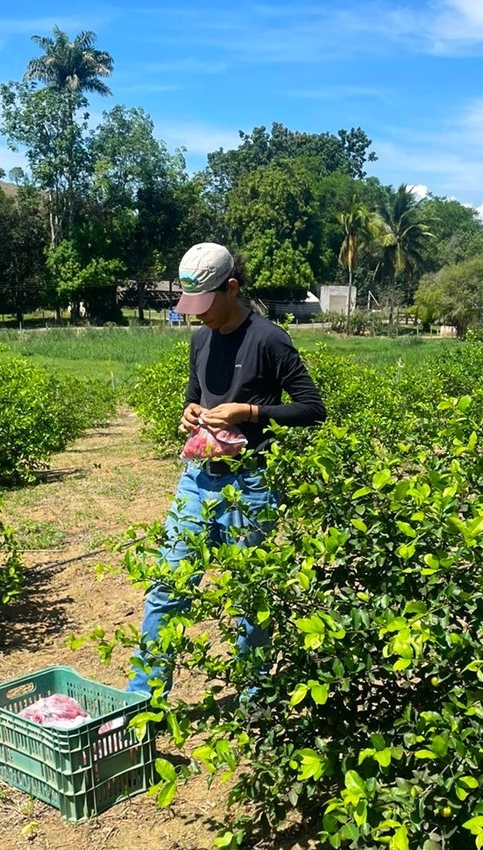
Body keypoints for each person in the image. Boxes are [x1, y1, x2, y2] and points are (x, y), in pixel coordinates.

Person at [127, 242, 326, 697]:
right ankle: (142, 701)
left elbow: (313, 409)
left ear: (231, 288)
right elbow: (195, 396)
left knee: (248, 597)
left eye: (205, 306)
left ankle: (254, 699)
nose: (198, 317)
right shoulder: (200, 340)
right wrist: (189, 415)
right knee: (167, 589)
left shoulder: (269, 339)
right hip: (197, 481)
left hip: (251, 485)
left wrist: (250, 413)